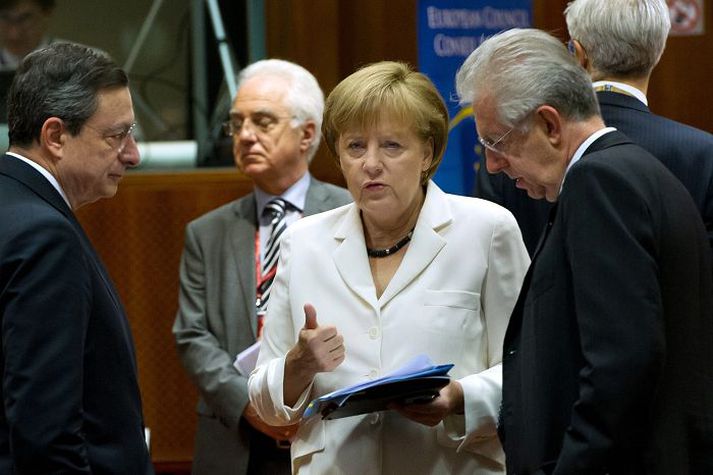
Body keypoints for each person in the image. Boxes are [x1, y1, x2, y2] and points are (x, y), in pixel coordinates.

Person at [247, 61, 530, 474]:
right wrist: (298, 366)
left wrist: (460, 397)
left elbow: (530, 373)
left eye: (392, 146)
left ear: (427, 153)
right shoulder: (303, 241)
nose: (371, 164)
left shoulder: (486, 230)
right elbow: (264, 401)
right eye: (355, 146)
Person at [456, 27, 713, 474]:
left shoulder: (600, 183)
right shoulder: (635, 170)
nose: (493, 165)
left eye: (497, 143)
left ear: (550, 125)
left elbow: (622, 365)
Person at [172, 59, 351, 475]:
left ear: (307, 133)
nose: (246, 135)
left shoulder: (351, 214)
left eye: (263, 121)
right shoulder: (207, 232)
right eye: (237, 124)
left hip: (331, 429)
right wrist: (252, 404)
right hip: (236, 439)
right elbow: (192, 335)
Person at [0, 42, 152, 473]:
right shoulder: (43, 236)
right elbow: (45, 434)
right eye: (116, 135)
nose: (133, 154)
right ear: (55, 136)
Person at [475, 0, 713, 256]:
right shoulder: (703, 155)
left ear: (577, 54)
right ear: (658, 50)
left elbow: (487, 262)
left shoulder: (511, 147)